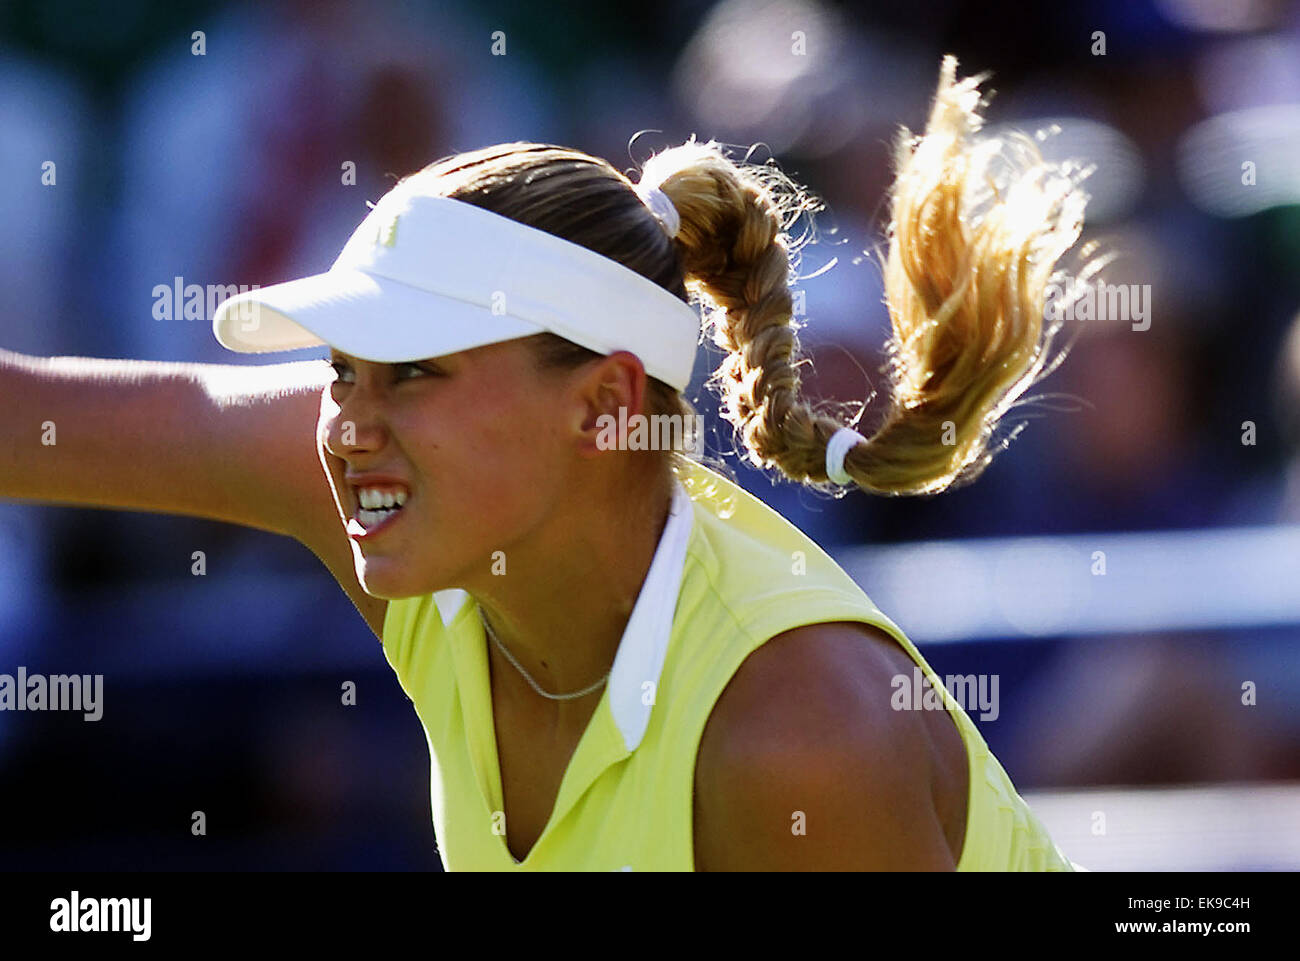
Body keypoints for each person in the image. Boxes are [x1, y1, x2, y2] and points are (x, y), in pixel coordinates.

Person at [1, 57, 1088, 870]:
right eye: (342, 370)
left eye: (414, 371)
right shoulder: (405, 486)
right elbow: (35, 419)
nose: (345, 425)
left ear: (606, 402)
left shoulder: (796, 734)